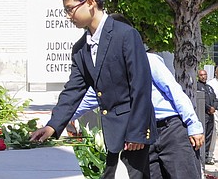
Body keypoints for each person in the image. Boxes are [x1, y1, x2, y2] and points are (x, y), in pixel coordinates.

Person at [29, 0, 156, 179]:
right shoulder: (80, 48)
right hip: (111, 134)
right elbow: (73, 91)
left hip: (133, 135)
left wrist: (137, 132)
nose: (68, 16)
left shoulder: (126, 35)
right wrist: (53, 125)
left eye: (70, 9)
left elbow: (141, 86)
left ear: (90, 2)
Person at [72, 16, 204, 179]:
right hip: (144, 136)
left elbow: (175, 92)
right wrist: (57, 123)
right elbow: (88, 99)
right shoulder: (106, 72)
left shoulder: (149, 60)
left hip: (171, 130)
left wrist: (193, 125)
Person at [198, 69, 217, 165]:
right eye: (201, 75)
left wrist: (214, 107)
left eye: (205, 75)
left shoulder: (209, 87)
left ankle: (206, 156)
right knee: (203, 134)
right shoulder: (197, 86)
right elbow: (202, 101)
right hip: (203, 114)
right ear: (198, 76)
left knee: (209, 135)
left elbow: (215, 99)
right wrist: (208, 108)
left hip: (211, 115)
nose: (203, 76)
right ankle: (200, 156)